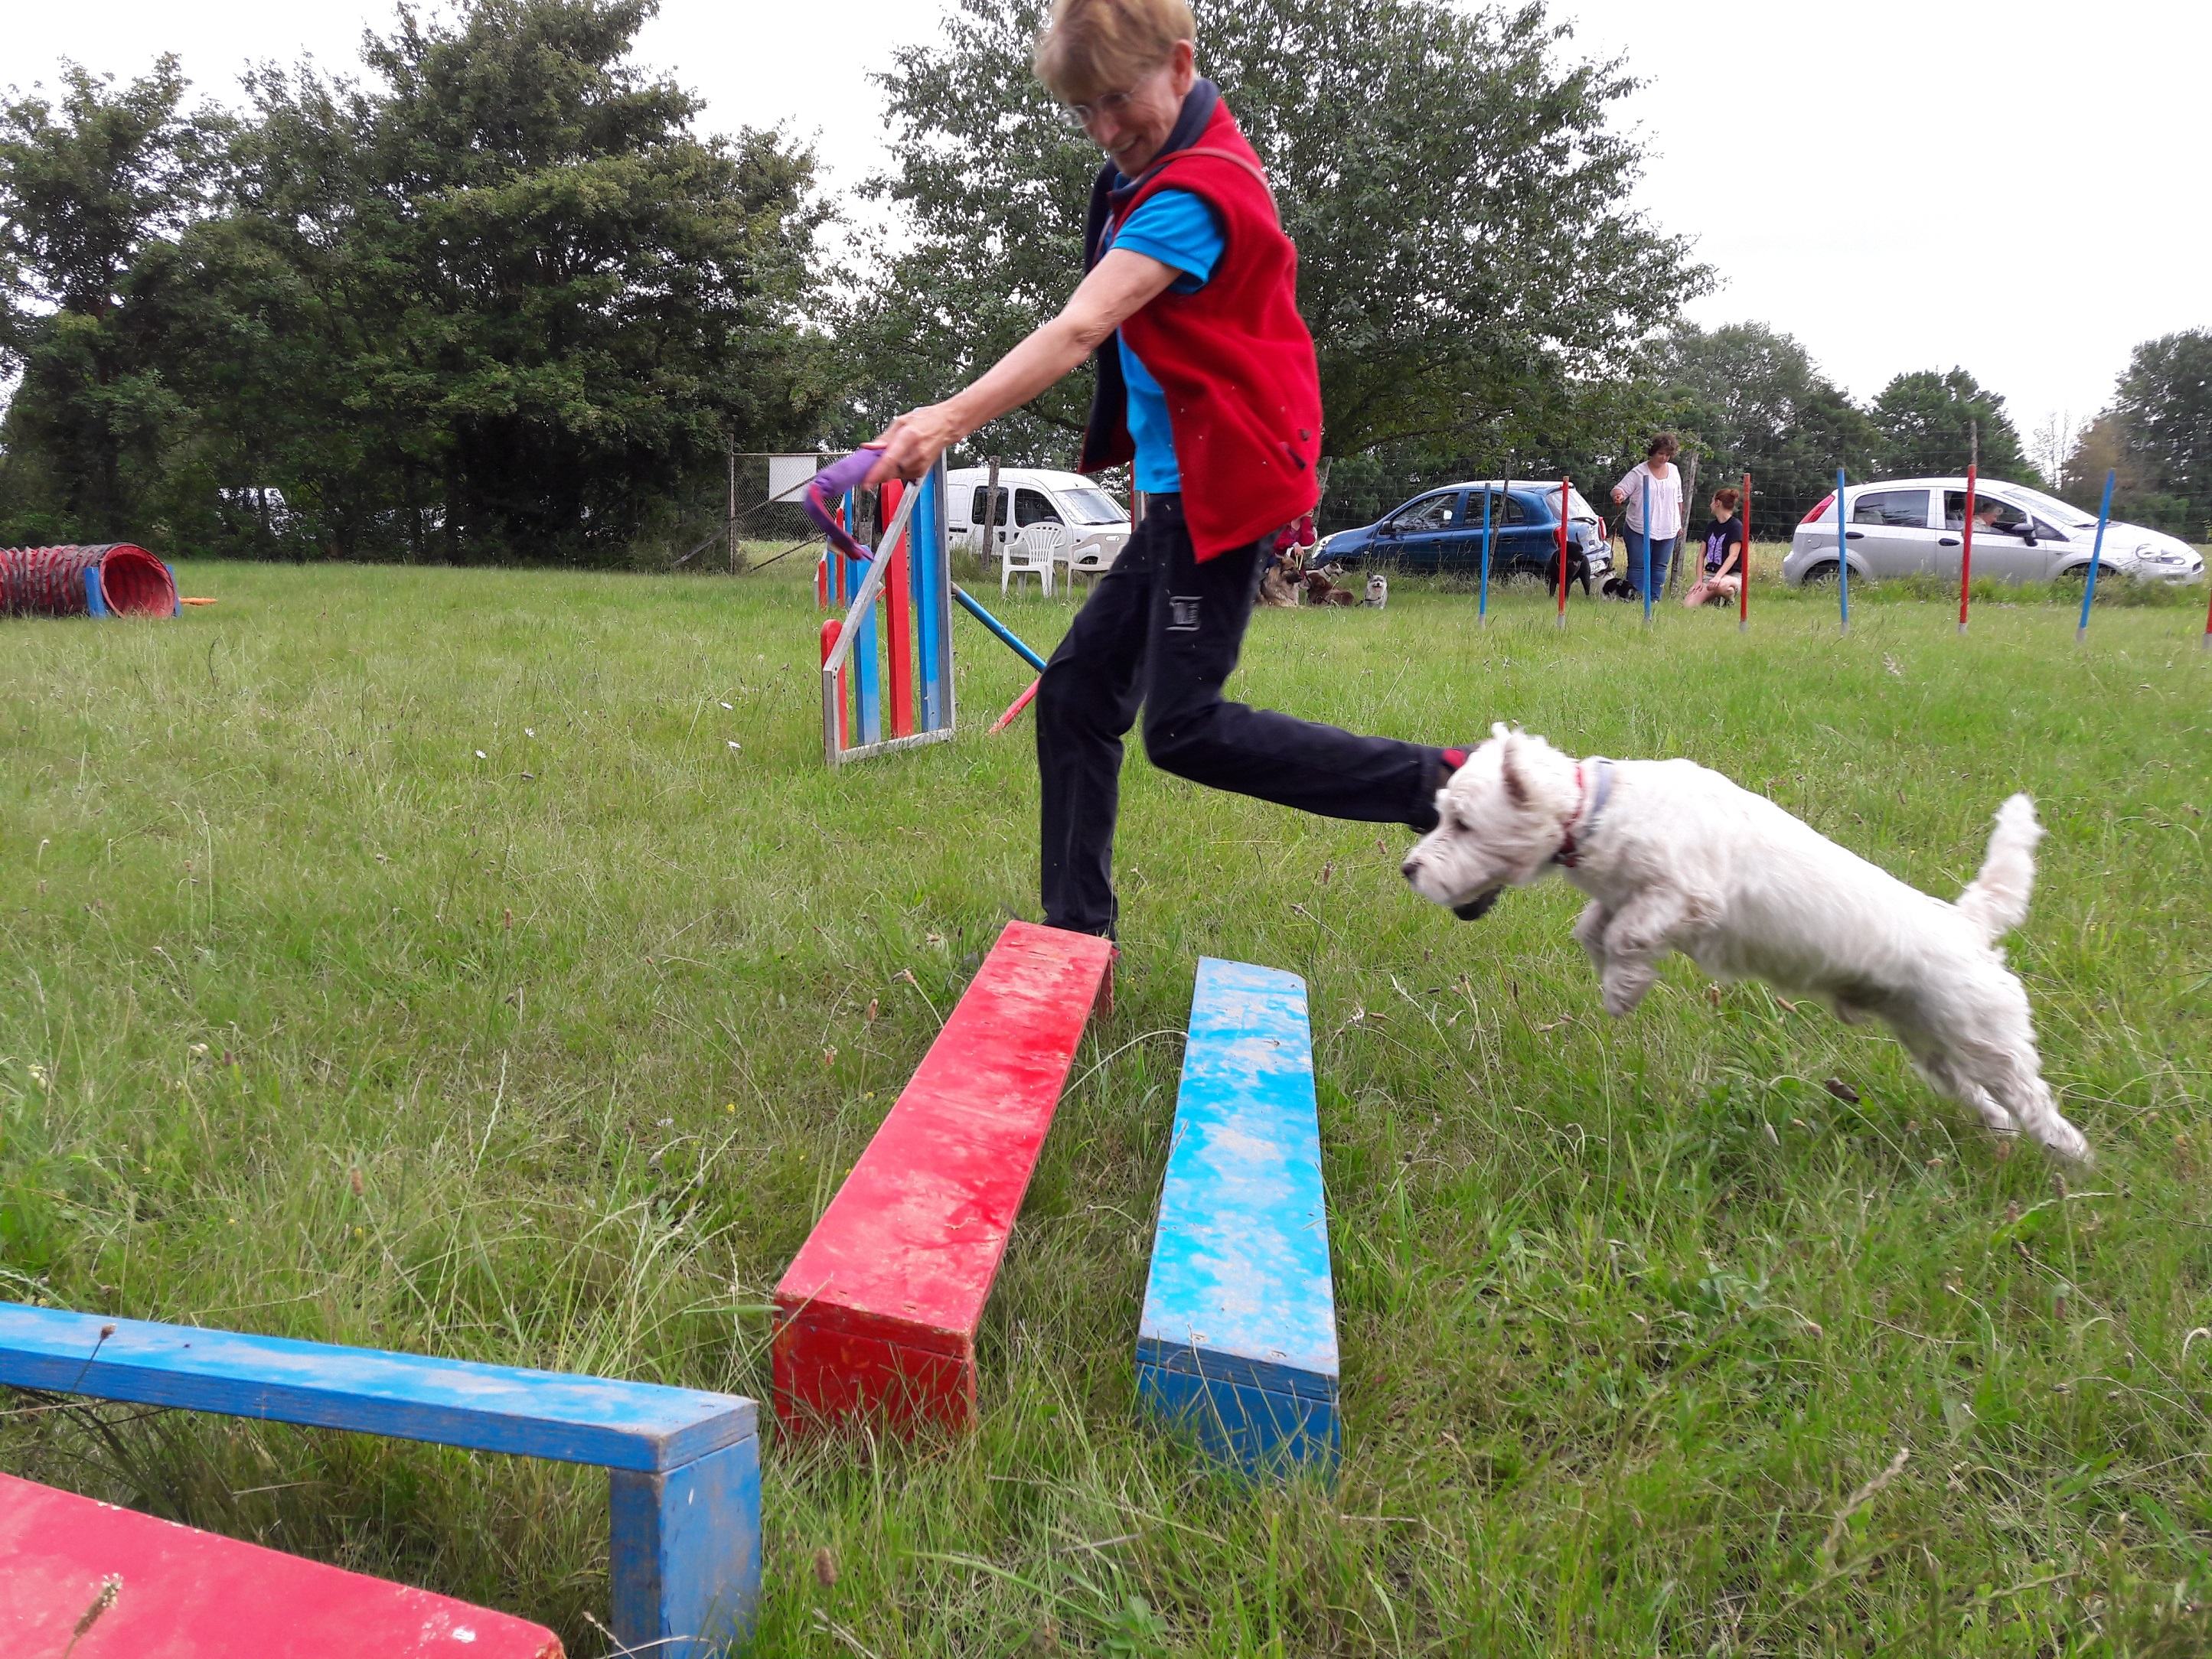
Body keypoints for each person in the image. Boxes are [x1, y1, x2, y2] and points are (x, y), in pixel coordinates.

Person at [860, 0, 1469, 939]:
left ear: (1179, 67)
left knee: (1184, 727)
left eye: (1117, 100)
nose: (1105, 132)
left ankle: (1446, 786)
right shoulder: (1165, 165)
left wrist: (946, 418)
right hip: (1185, 493)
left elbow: (1079, 325)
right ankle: (1075, 938)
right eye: (1081, 113)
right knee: (1071, 698)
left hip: (1222, 492)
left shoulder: (1194, 195)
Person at [1611, 435, 1684, 601]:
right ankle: (1633, 599)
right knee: (1638, 566)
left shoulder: (1673, 471)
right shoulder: (1638, 472)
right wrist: (1619, 496)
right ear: (1653, 452)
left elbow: (1679, 499)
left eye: (1668, 455)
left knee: (1659, 566)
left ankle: (1654, 600)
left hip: (1668, 528)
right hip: (1639, 527)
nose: (1664, 458)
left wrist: (1678, 523)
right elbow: (1619, 489)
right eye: (1661, 453)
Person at [1682, 487, 1745, 608]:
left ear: (1718, 503)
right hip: (1710, 575)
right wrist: (1699, 580)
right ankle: (1714, 598)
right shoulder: (1711, 526)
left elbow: (1733, 556)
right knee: (1688, 605)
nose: (1710, 505)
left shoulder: (1736, 526)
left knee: (1723, 586)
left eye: (1712, 501)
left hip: (1731, 576)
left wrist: (1717, 577)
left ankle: (1729, 599)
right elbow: (1701, 555)